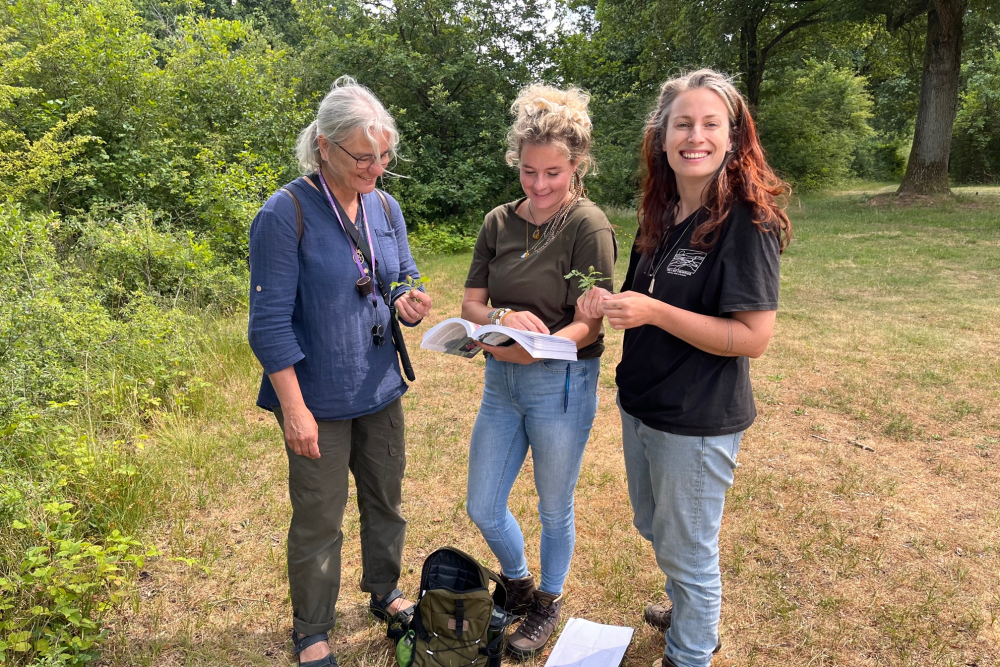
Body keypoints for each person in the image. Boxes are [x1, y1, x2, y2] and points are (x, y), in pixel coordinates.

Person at [577, 69, 792, 667]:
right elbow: (641, 300)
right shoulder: (663, 211)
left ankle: (691, 649)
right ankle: (691, 606)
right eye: (682, 124)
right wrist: (606, 303)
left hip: (696, 418)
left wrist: (655, 312)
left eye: (710, 124)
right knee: (656, 525)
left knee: (688, 547)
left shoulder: (747, 222)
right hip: (644, 403)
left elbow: (753, 338)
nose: (695, 136)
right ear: (662, 136)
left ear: (732, 137)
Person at [247, 76, 433, 667]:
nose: (376, 168)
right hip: (317, 400)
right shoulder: (285, 214)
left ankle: (385, 592)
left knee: (386, 501)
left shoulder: (384, 205)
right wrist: (294, 410)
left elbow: (401, 272)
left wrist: (407, 297)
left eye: (385, 156)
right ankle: (312, 632)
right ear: (324, 146)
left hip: (379, 387)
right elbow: (268, 325)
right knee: (319, 520)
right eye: (363, 157)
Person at [461, 84, 618, 659]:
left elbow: (590, 323)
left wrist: (543, 349)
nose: (540, 184)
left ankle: (548, 599)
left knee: (554, 506)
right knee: (483, 504)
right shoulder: (498, 221)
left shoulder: (588, 225)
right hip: (500, 383)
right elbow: (472, 305)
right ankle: (519, 581)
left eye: (553, 172)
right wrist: (502, 318)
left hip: (561, 383)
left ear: (577, 166)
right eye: (528, 171)